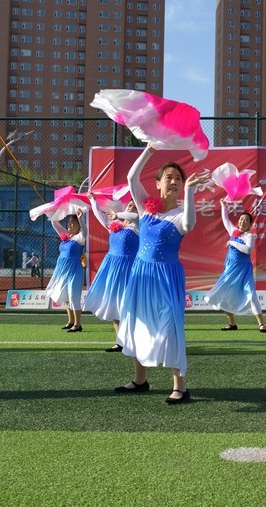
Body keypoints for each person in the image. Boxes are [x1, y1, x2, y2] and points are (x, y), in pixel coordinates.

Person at [114, 146, 209, 403]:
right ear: (158, 184)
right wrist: (148, 150)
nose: (174, 181)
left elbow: (188, 225)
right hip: (140, 275)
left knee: (171, 328)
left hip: (166, 277)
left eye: (178, 178)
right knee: (137, 324)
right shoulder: (146, 208)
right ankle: (140, 379)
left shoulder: (179, 215)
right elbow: (132, 178)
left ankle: (180, 386)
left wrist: (190, 191)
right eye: (169, 177)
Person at [82, 194, 139, 352]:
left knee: (127, 306)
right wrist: (93, 200)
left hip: (129, 269)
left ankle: (133, 341)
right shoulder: (115, 225)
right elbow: (100, 216)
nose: (131, 208)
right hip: (113, 268)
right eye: (129, 205)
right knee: (114, 306)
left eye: (135, 206)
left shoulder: (138, 226)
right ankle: (120, 341)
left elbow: (135, 217)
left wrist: (118, 214)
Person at [205, 203, 266, 333]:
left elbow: (248, 250)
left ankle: (261, 324)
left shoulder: (249, 236)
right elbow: (225, 219)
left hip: (243, 269)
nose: (242, 222)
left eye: (246, 220)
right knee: (224, 294)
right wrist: (223, 206)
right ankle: (232, 324)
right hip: (230, 269)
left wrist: (231, 242)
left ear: (250, 224)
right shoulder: (233, 231)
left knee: (251, 294)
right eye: (241, 219)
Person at [47, 213, 86, 332]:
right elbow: (54, 223)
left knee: (73, 296)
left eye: (73, 222)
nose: (69, 224)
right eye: (68, 222)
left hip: (74, 269)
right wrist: (56, 212)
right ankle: (70, 321)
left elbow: (85, 230)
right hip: (61, 270)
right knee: (65, 296)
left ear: (78, 225)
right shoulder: (66, 236)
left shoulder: (80, 238)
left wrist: (81, 218)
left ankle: (78, 324)